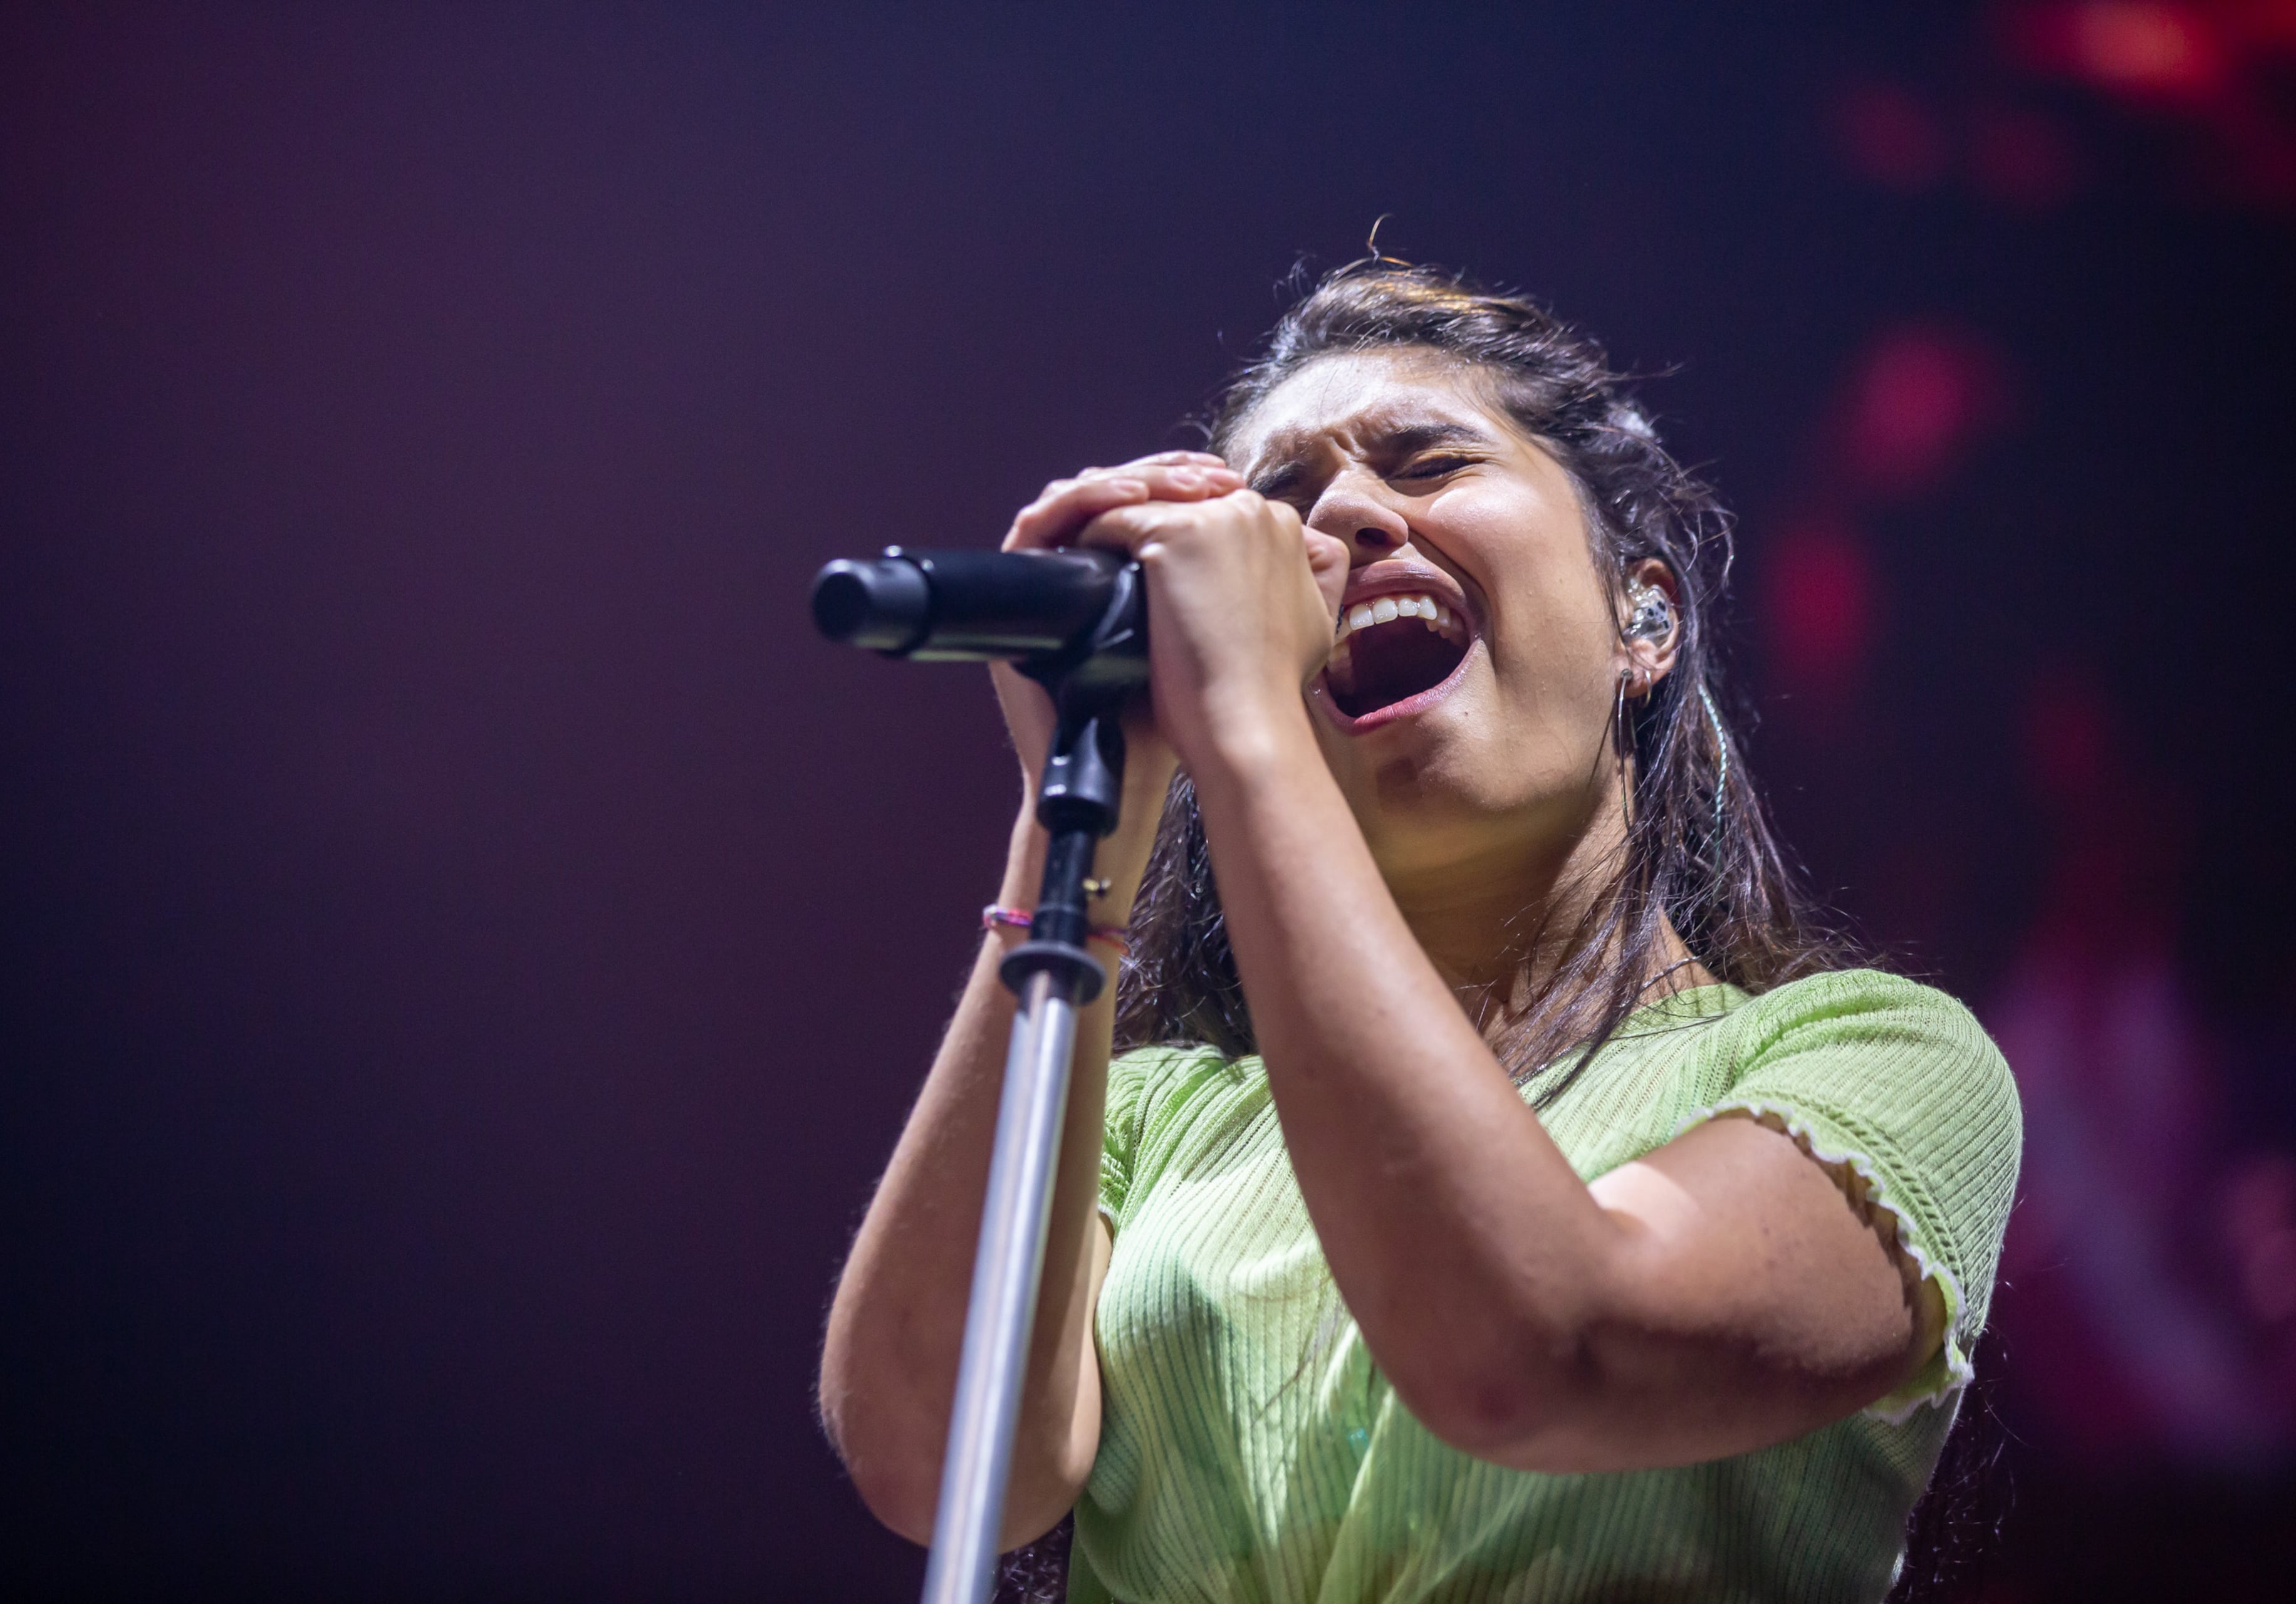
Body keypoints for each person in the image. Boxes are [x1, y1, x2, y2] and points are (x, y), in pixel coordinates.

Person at [818, 261, 2023, 1603]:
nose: (1337, 516)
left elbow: (1542, 1346)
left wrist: (1254, 734)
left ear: (1647, 616)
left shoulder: (1881, 1060)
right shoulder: (1148, 1111)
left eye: (1428, 459)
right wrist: (1077, 813)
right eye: (1278, 508)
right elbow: (935, 1461)